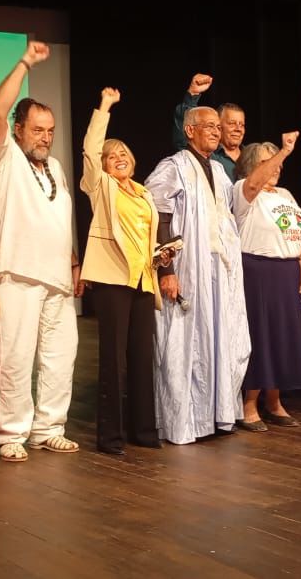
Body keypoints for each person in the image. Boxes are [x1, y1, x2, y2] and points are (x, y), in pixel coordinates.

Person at [0, 41, 82, 462]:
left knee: (61, 359)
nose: (45, 137)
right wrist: (24, 62)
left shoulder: (55, 168)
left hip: (57, 277)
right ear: (19, 130)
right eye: (37, 129)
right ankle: (12, 433)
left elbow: (62, 221)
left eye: (50, 130)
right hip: (16, 274)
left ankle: (49, 427)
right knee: (15, 358)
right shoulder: (4, 157)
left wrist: (75, 262)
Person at [145, 105, 251, 444]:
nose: (217, 132)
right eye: (209, 126)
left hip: (218, 271)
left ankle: (216, 414)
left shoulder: (220, 171)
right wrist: (168, 270)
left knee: (221, 339)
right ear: (189, 130)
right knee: (183, 344)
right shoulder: (173, 167)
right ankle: (184, 421)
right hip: (188, 270)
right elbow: (157, 215)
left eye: (218, 127)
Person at [79, 88, 171, 455]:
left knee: (140, 359)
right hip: (112, 279)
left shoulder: (143, 193)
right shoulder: (101, 188)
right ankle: (111, 436)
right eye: (111, 155)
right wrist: (104, 107)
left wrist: (160, 257)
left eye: (123, 154)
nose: (118, 158)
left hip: (142, 280)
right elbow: (90, 148)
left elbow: (144, 239)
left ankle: (143, 430)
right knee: (113, 360)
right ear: (102, 164)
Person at [232, 133, 301, 432]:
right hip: (258, 271)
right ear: (251, 166)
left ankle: (275, 400)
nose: (276, 167)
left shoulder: (285, 195)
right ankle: (248, 404)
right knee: (260, 337)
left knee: (282, 336)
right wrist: (285, 150)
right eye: (267, 162)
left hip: (286, 270)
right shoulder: (243, 191)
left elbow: (295, 236)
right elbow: (255, 183)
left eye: (277, 161)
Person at [171, 73, 245, 178]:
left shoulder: (252, 156)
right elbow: (184, 134)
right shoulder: (207, 155)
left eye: (242, 125)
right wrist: (193, 94)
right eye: (232, 123)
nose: (238, 129)